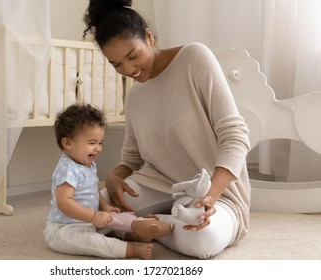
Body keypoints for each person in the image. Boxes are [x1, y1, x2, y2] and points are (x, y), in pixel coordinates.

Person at [83, 0, 251, 259]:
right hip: (157, 182)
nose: (128, 70)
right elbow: (132, 157)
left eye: (132, 56)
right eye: (116, 64)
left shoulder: (194, 57)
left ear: (149, 37)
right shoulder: (136, 95)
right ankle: (153, 225)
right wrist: (115, 177)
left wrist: (210, 196)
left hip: (211, 189)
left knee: (202, 240)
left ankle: (139, 226)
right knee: (82, 209)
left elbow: (236, 136)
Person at [43, 103, 173, 260]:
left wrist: (105, 207)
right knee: (94, 242)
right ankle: (131, 249)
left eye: (100, 142)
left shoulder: (87, 164)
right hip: (66, 228)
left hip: (90, 221)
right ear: (68, 143)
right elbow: (64, 203)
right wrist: (93, 216)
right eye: (92, 143)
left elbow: (93, 190)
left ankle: (137, 227)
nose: (98, 148)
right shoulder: (67, 169)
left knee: (116, 219)